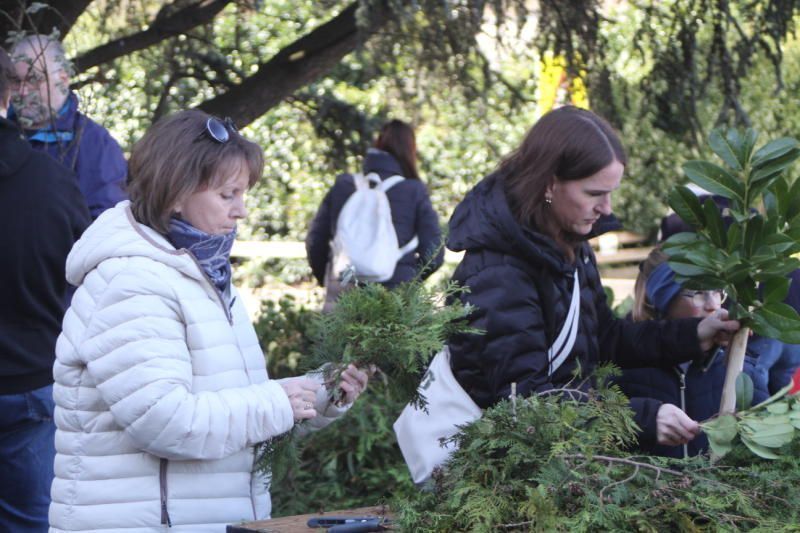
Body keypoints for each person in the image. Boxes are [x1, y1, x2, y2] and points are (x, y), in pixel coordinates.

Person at [49, 110, 370, 532]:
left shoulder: (207, 275)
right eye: (227, 194)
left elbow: (236, 415)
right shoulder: (130, 282)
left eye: (244, 193)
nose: (242, 211)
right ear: (175, 193)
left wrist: (324, 393)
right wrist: (278, 402)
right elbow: (166, 421)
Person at [446, 106, 740, 450]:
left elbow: (606, 338)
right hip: (502, 472)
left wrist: (694, 335)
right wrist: (640, 418)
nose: (608, 208)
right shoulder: (498, 273)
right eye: (595, 193)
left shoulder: (569, 245)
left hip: (559, 460)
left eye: (611, 192)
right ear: (550, 183)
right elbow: (524, 404)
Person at [0, 47, 91, 532]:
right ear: (10, 92)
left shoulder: (66, 168)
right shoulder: (53, 183)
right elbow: (86, 277)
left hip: (30, 385)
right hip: (31, 379)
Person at [614, 248, 768, 458]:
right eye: (698, 293)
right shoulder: (621, 366)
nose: (713, 305)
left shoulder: (741, 369)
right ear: (662, 300)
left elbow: (763, 445)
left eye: (717, 292)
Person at [306, 119, 444, 298]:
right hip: (396, 295)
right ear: (411, 150)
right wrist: (408, 279)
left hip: (346, 291)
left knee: (341, 326)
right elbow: (434, 253)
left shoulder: (343, 186)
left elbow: (315, 241)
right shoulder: (413, 191)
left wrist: (329, 278)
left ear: (377, 144)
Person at [9, 34, 127, 218]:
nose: (23, 92)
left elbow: (106, 223)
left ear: (63, 80)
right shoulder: (5, 132)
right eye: (16, 81)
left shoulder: (95, 144)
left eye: (34, 79)